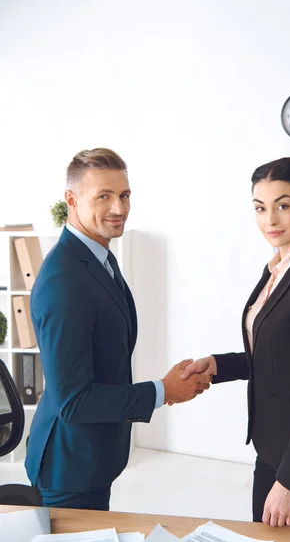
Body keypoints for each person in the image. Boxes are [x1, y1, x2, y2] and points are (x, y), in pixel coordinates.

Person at [25, 148, 210, 510]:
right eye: (104, 197)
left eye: (124, 195)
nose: (119, 209)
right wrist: (163, 390)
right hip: (68, 468)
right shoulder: (64, 278)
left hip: (92, 458)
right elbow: (74, 402)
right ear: (71, 200)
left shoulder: (100, 257)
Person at [182, 157, 290, 529]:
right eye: (260, 208)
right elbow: (281, 356)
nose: (270, 220)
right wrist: (219, 365)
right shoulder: (278, 269)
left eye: (283, 205)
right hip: (272, 450)